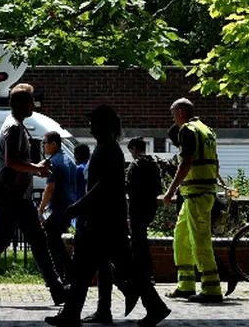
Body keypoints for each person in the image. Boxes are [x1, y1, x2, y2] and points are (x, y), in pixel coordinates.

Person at [47, 105, 170, 327]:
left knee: (96, 267)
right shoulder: (107, 148)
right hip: (105, 220)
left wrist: (77, 207)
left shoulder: (109, 150)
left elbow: (103, 186)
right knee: (94, 267)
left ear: (103, 125)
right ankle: (153, 307)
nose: (90, 128)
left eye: (93, 123)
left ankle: (73, 314)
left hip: (105, 222)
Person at [0, 83, 67, 307]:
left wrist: (35, 167)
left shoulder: (14, 125)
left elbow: (15, 161)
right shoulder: (14, 128)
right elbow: (11, 161)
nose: (32, 106)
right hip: (14, 196)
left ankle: (56, 289)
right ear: (19, 103)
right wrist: (36, 168)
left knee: (26, 241)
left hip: (16, 195)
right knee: (14, 242)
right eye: (29, 102)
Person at [161, 98, 223, 303]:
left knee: (200, 240)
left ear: (180, 112)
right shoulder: (207, 131)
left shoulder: (188, 130)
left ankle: (211, 288)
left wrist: (171, 190)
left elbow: (186, 162)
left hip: (197, 192)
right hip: (197, 193)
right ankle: (186, 284)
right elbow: (215, 162)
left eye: (173, 114)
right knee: (181, 237)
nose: (173, 119)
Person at [39, 130, 76, 284]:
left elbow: (50, 187)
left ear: (54, 144)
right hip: (69, 206)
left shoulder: (54, 162)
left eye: (45, 143)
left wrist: (41, 208)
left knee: (52, 242)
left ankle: (65, 272)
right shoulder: (69, 160)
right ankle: (65, 274)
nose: (43, 146)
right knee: (56, 240)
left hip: (57, 207)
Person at [126, 137, 162, 285]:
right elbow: (158, 189)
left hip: (137, 207)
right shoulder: (153, 164)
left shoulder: (135, 165)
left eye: (131, 151)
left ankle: (141, 274)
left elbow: (129, 187)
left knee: (137, 241)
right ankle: (147, 274)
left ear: (134, 149)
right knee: (142, 240)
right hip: (150, 207)